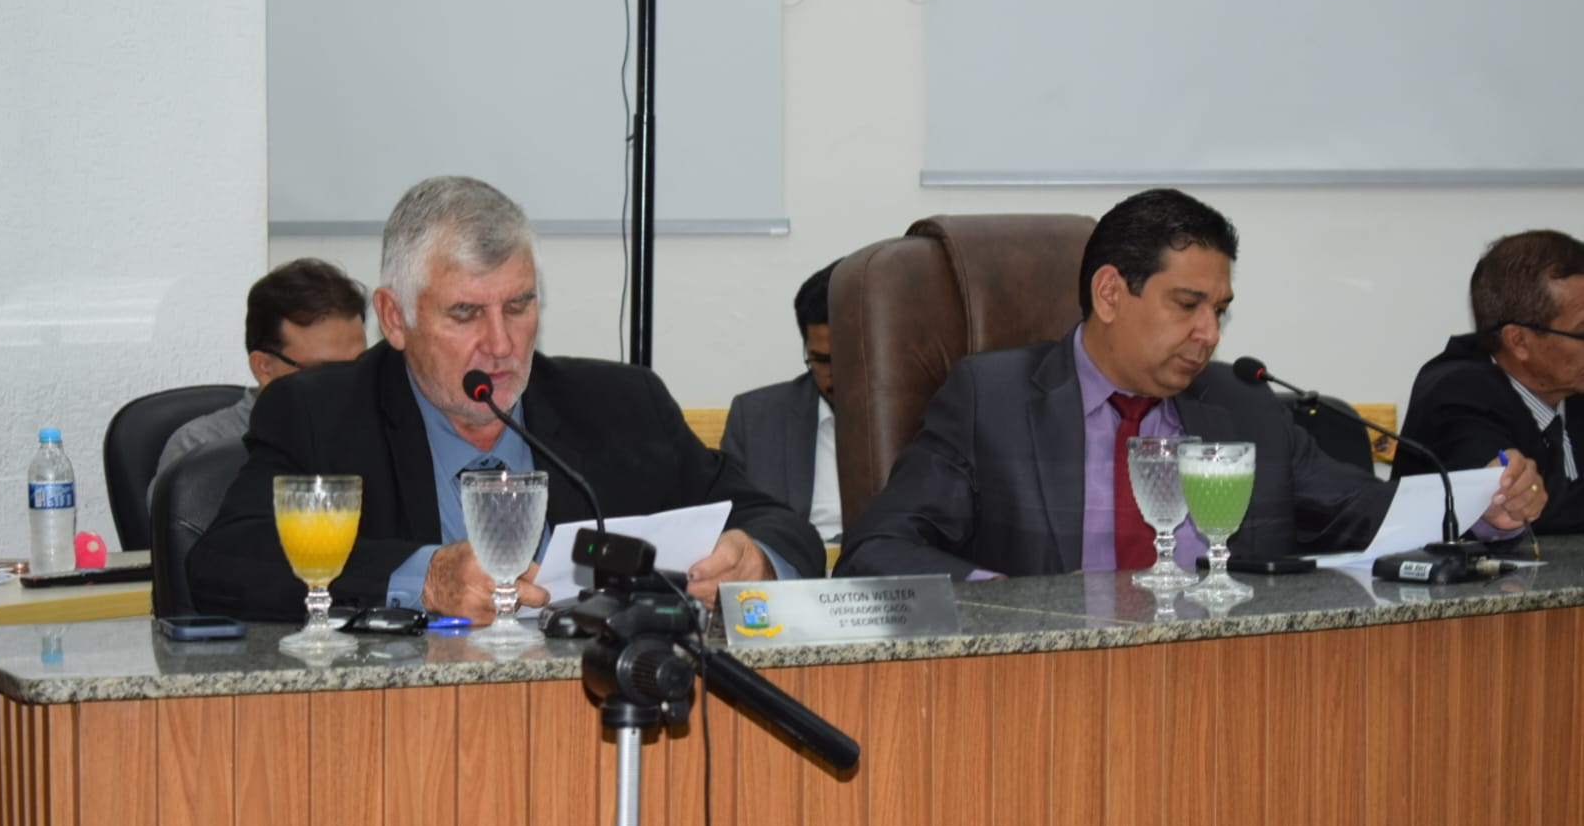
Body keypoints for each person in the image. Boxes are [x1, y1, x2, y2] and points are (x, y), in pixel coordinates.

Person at [188, 175, 823, 622]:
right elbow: (227, 562)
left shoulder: (622, 406)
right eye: (465, 313)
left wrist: (756, 562)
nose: (501, 345)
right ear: (396, 318)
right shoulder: (319, 413)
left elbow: (780, 526)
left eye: (518, 306)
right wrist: (426, 577)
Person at [837, 188, 1546, 579]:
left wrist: (1486, 507)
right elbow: (879, 548)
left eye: (1219, 311)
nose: (1209, 333)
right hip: (1043, 694)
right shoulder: (991, 400)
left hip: (1221, 695)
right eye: (1187, 305)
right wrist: (1004, 602)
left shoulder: (1241, 406)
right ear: (1109, 293)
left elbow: (1366, 514)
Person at [1395, 229, 1584, 533]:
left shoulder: (1571, 382)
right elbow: (1516, 503)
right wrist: (1518, 492)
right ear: (1518, 341)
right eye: (1582, 330)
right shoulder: (1457, 393)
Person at [149, 258, 369, 501]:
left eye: (359, 364)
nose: (347, 383)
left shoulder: (375, 432)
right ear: (264, 367)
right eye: (323, 370)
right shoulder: (199, 448)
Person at [721, 259, 842, 544]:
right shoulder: (754, 419)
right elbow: (732, 526)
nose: (836, 373)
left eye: (847, 356)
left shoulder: (921, 417)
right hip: (794, 565)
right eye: (821, 360)